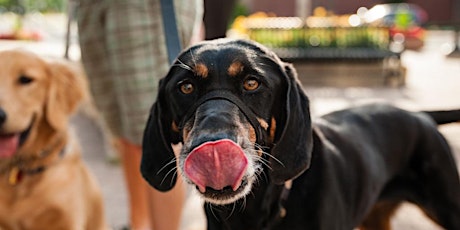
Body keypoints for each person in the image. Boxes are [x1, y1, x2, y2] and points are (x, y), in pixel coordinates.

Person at [77, 0, 203, 229]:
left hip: (147, 6)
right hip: (90, 5)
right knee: (124, 128)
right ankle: (137, 225)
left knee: (155, 133)